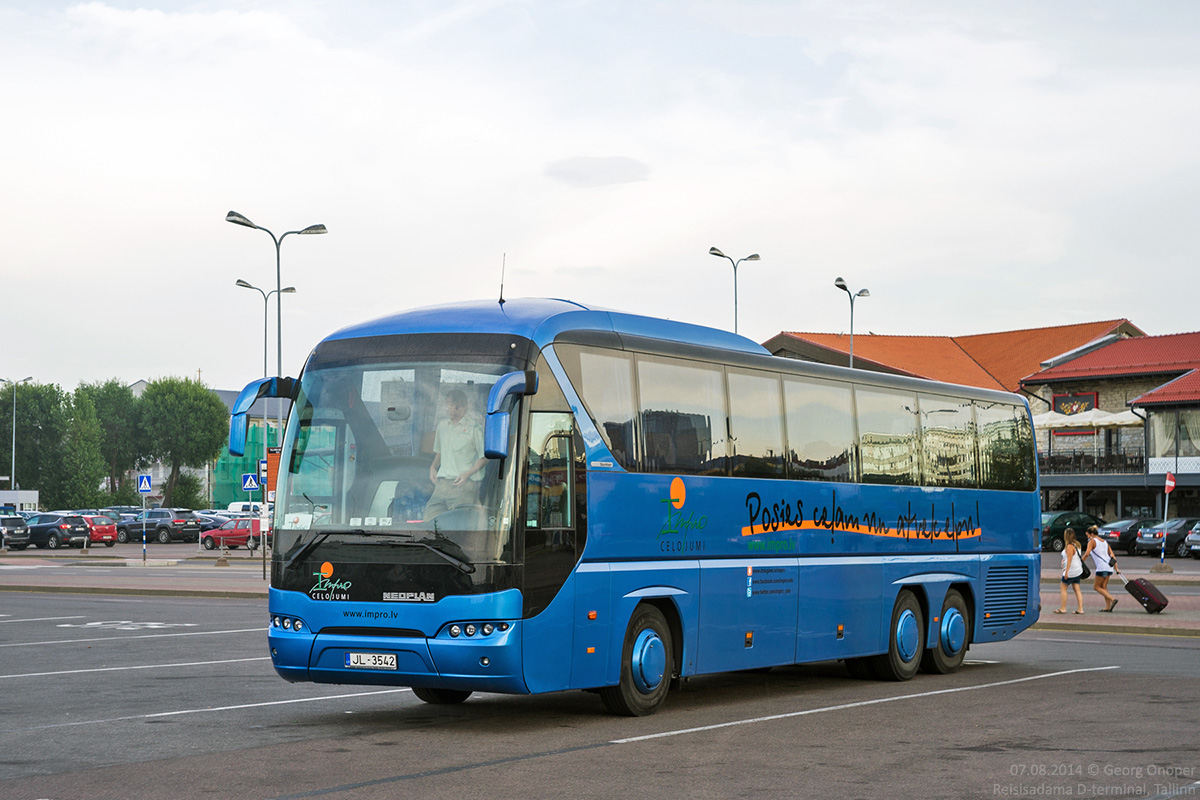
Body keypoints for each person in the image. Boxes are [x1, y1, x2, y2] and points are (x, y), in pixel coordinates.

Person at [423, 389, 486, 519]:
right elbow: (440, 451)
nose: (452, 410)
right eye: (449, 406)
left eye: (455, 407)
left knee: (458, 521)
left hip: (464, 483)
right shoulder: (442, 426)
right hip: (442, 485)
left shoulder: (474, 427)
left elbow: (484, 457)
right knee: (429, 519)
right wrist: (433, 467)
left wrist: (467, 474)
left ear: (464, 406)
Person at [1083, 525, 1120, 612]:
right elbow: (1112, 556)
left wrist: (1081, 562)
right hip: (1109, 567)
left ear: (1092, 534)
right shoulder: (1104, 542)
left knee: (1096, 587)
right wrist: (1116, 569)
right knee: (1104, 587)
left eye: (1088, 535)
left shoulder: (1092, 541)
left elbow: (1087, 553)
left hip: (1101, 567)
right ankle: (1108, 607)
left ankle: (1112, 599)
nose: (1087, 537)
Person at [1055, 528, 1085, 614]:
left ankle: (1063, 608)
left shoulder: (1069, 547)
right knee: (1077, 589)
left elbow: (1069, 560)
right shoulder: (1077, 544)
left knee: (1063, 588)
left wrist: (1066, 572)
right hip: (1078, 570)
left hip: (1071, 571)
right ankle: (1080, 609)